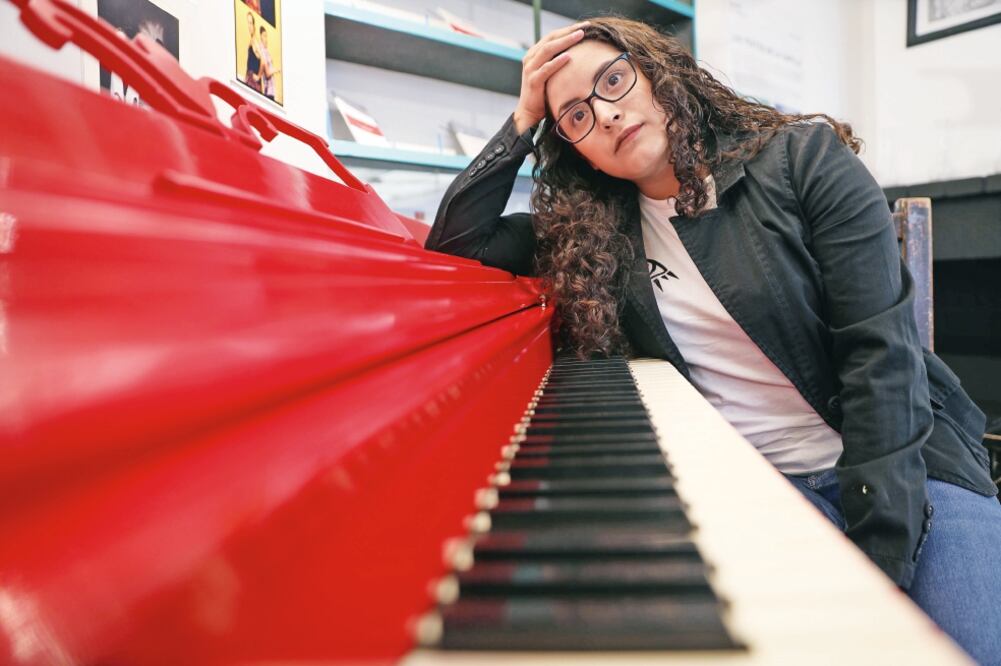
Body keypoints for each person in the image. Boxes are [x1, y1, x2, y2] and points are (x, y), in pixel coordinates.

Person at [425, 17, 1001, 665]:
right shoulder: (589, 234)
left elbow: (882, 358)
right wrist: (524, 117)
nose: (608, 115)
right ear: (572, 147)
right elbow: (456, 244)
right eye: (577, 117)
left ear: (656, 73)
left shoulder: (801, 159)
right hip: (760, 480)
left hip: (910, 464)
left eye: (614, 81)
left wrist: (878, 558)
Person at [257, 26, 279, 101]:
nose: (266, 38)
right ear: (260, 36)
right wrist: (277, 69)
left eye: (266, 36)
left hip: (271, 91)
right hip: (268, 91)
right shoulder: (262, 50)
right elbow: (267, 73)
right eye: (264, 36)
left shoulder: (266, 51)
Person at [244, 12, 262, 92]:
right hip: (249, 78)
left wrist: (258, 76)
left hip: (253, 82)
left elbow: (263, 60)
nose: (249, 26)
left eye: (251, 23)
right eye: (248, 23)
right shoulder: (252, 40)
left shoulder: (254, 41)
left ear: (254, 26)